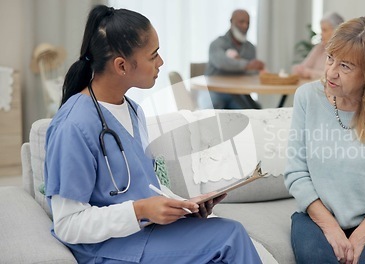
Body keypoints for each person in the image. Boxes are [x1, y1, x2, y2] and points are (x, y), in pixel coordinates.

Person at [44, 5, 261, 263]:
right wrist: (141, 210)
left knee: (225, 230)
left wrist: (181, 208)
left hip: (143, 232)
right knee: (230, 237)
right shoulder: (73, 126)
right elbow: (68, 224)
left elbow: (141, 190)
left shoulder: (134, 111)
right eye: (153, 55)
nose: (161, 62)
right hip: (107, 247)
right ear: (122, 66)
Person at [284, 16, 365, 264]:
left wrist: (361, 235)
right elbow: (296, 172)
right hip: (315, 217)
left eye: (345, 66)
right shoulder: (307, 98)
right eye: (330, 58)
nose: (331, 71)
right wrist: (330, 227)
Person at [199, 9, 264, 109]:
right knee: (212, 111)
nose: (245, 26)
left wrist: (257, 69)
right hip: (214, 91)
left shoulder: (250, 48)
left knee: (253, 111)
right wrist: (247, 65)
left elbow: (253, 73)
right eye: (241, 22)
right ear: (231, 22)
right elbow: (222, 62)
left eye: (248, 23)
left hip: (237, 94)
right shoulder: (217, 44)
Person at [292, 12, 344, 80]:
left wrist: (309, 73)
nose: (321, 34)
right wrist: (299, 69)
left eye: (324, 30)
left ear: (337, 31)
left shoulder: (343, 51)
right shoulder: (320, 47)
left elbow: (333, 76)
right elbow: (302, 67)